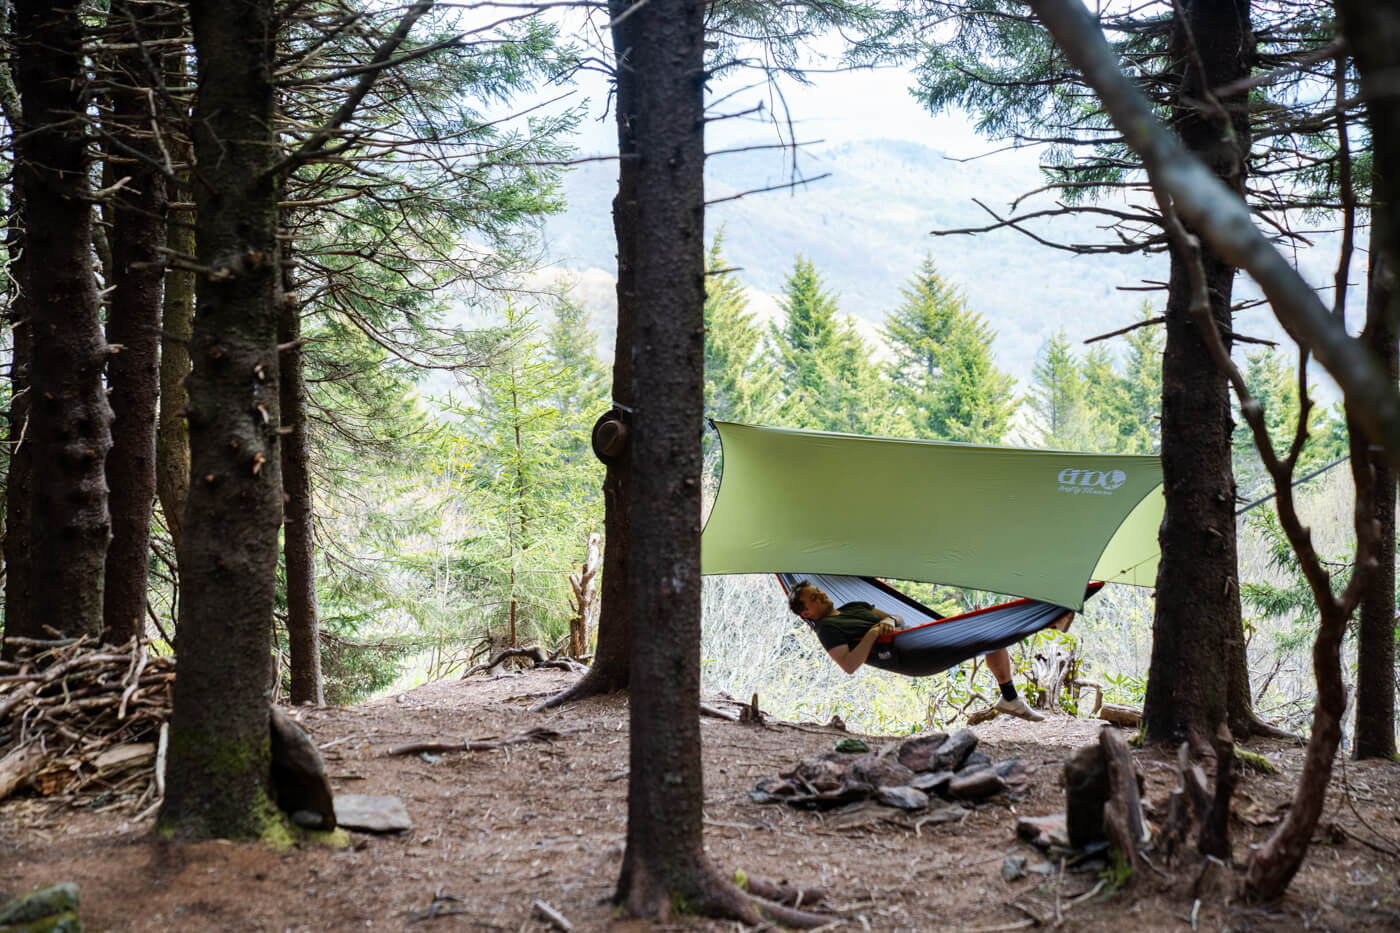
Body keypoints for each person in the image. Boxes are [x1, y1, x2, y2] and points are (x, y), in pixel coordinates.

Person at [787, 580, 1049, 722]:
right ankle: (1052, 615)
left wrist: (891, 622)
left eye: (818, 590)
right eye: (814, 597)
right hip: (910, 655)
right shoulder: (827, 629)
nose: (821, 594)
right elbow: (849, 664)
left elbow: (897, 618)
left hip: (919, 637)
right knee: (989, 630)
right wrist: (873, 633)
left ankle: (1009, 699)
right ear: (807, 613)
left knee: (992, 635)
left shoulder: (855, 605)